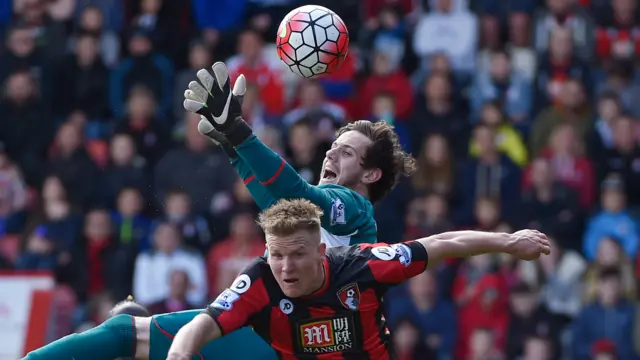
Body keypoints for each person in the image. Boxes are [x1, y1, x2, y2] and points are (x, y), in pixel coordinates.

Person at [22, 199, 550, 360]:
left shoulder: (363, 265)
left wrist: (507, 241)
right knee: (127, 333)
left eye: (297, 256)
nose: (286, 268)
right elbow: (203, 326)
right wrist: (180, 358)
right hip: (273, 355)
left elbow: (440, 245)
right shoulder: (260, 280)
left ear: (322, 251)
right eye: (276, 256)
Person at [184, 61, 416, 246]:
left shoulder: (356, 207)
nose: (330, 156)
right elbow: (275, 203)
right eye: (332, 148)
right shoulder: (319, 215)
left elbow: (299, 194)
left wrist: (238, 132)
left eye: (346, 153)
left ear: (370, 175)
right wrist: (233, 149)